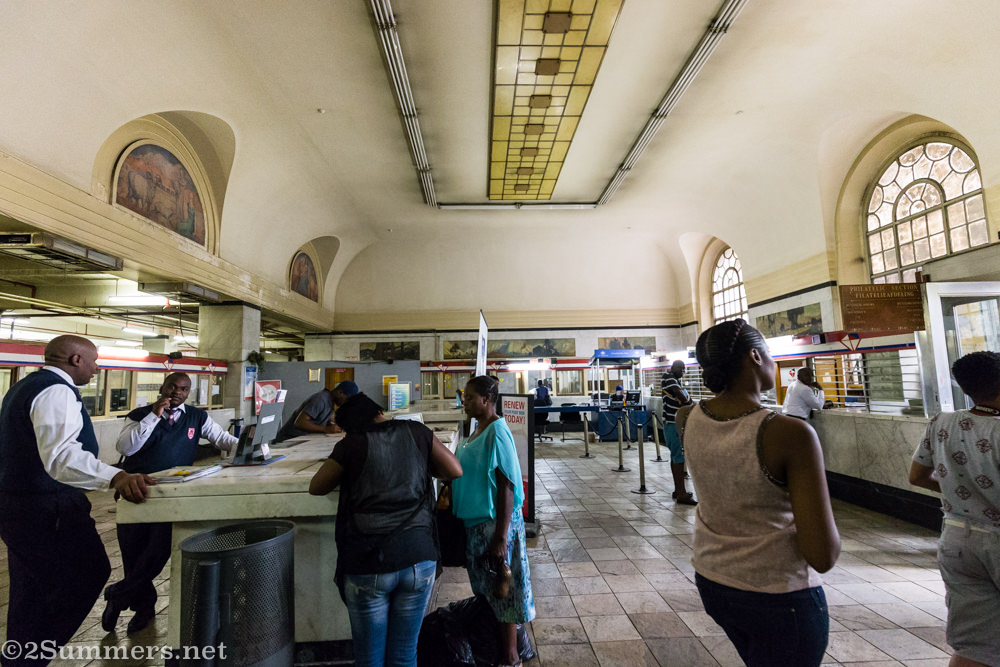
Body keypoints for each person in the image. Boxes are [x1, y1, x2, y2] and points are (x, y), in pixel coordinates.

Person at [676, 319, 840, 666]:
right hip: (779, 596)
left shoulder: (686, 417)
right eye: (769, 353)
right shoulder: (790, 433)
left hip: (714, 580)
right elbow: (823, 555)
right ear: (754, 356)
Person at [0, 335, 155, 663]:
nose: (96, 368)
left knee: (30, 592)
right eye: (94, 360)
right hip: (48, 507)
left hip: (19, 503)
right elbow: (61, 456)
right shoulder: (56, 391)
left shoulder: (24, 386)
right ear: (75, 360)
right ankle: (31, 656)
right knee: (87, 574)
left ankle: (19, 658)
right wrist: (116, 476)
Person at [309, 393, 462, 667]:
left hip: (368, 562)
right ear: (379, 411)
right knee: (405, 653)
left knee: (370, 659)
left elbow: (317, 486)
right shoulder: (416, 432)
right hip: (419, 558)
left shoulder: (351, 445)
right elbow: (454, 470)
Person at [101, 372, 239, 634]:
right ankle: (144, 609)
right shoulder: (139, 414)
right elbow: (126, 448)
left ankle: (118, 594)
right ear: (163, 388)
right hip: (135, 492)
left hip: (171, 495)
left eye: (183, 389)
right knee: (133, 555)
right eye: (172, 387)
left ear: (188, 393)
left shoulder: (196, 417)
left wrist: (249, 447)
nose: (177, 392)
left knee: (157, 553)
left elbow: (222, 439)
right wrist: (154, 415)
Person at [910, 351, 1000, 667]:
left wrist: (962, 494)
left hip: (957, 541)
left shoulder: (942, 422)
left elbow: (917, 476)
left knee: (974, 645)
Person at [452, 375, 535, 667]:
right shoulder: (478, 429)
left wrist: (501, 537)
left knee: (504, 593)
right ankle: (499, 651)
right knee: (487, 591)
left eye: (469, 397)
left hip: (495, 526)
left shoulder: (497, 431)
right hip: (477, 525)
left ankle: (511, 658)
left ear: (486, 400)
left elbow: (507, 485)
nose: (464, 402)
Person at [274, 380, 358, 442]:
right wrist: (326, 429)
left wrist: (336, 427)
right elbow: (299, 423)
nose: (345, 403)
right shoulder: (320, 400)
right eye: (346, 399)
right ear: (340, 392)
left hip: (299, 441)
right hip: (287, 441)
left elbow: (330, 420)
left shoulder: (330, 402)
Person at [661, 360, 696, 505]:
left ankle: (678, 490)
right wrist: (688, 402)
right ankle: (681, 493)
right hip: (672, 423)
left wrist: (688, 401)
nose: (683, 371)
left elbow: (685, 397)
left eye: (684, 369)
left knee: (676, 457)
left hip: (673, 423)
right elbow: (680, 395)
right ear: (673, 368)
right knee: (678, 458)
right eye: (680, 368)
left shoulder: (674, 380)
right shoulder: (669, 377)